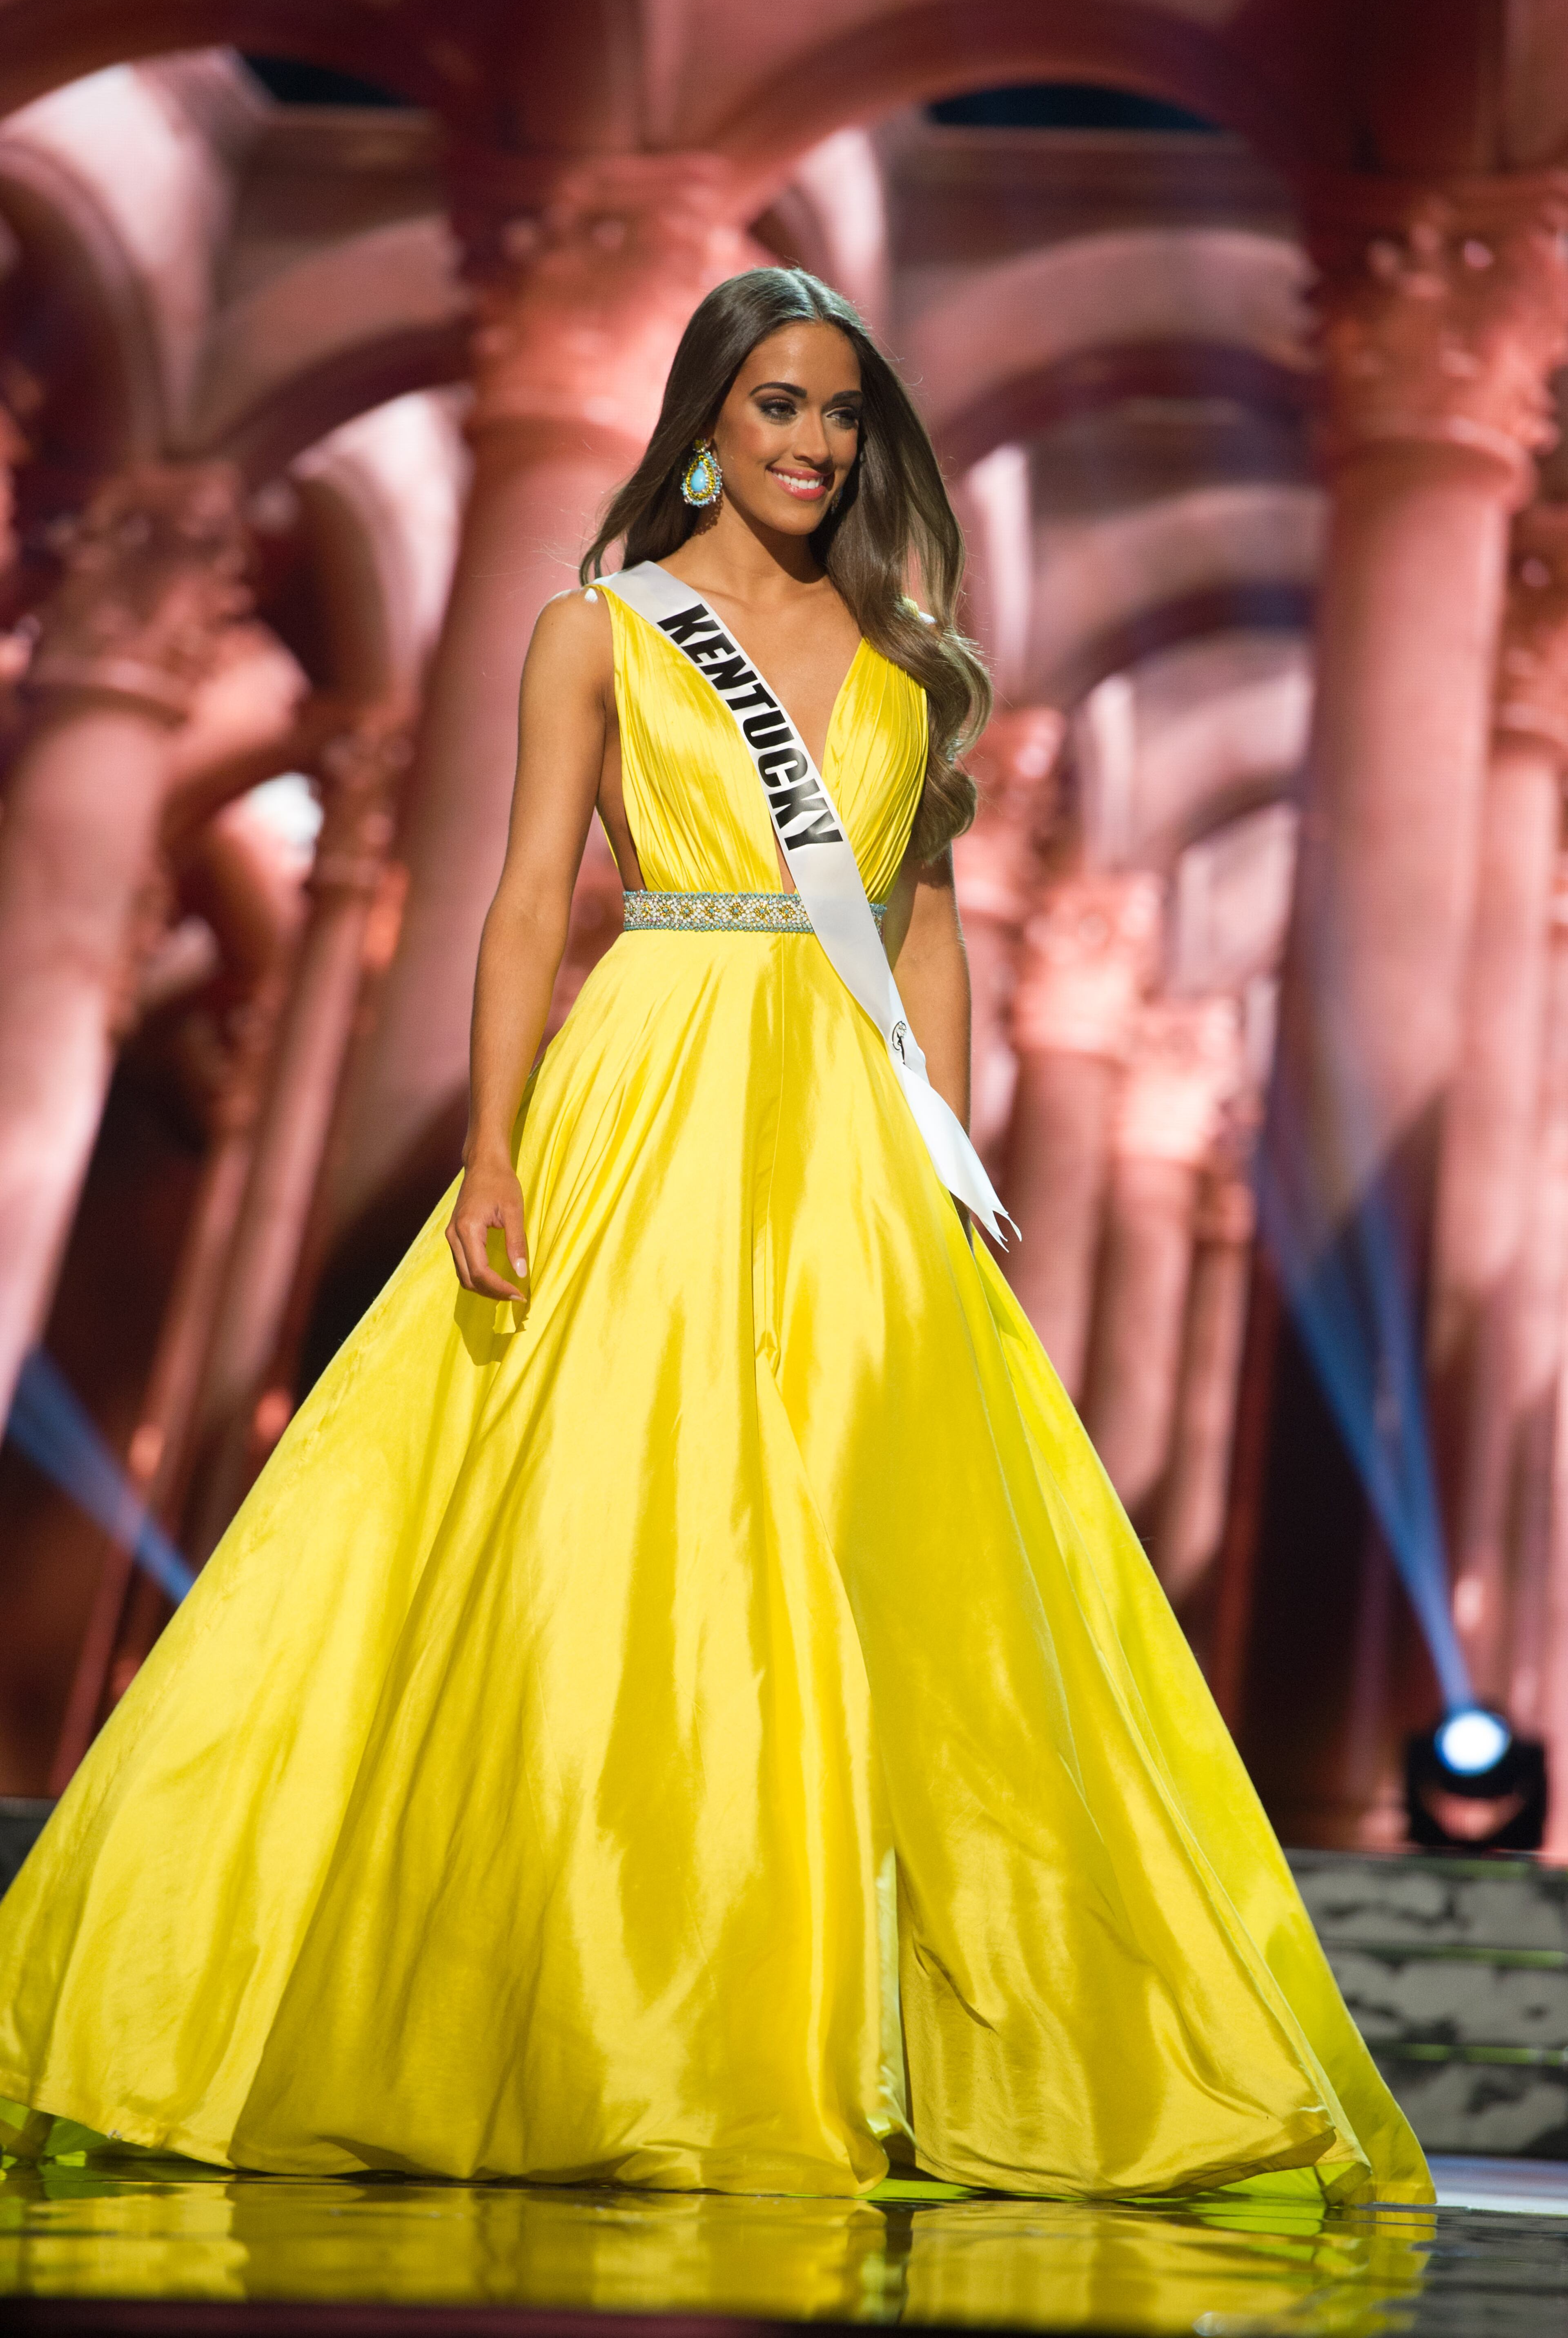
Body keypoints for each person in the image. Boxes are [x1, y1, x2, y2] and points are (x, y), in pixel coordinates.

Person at [0, 269, 1430, 2205]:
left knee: (855, 1528)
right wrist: (489, 1146)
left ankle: (820, 2020)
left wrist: (947, 1149)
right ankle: (527, 1997)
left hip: (842, 1103)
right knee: (588, 1506)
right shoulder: (598, 631)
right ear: (704, 424)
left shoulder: (909, 665)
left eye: (841, 412)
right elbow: (525, 901)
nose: (813, 442)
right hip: (650, 1063)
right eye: (777, 404)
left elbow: (928, 929)